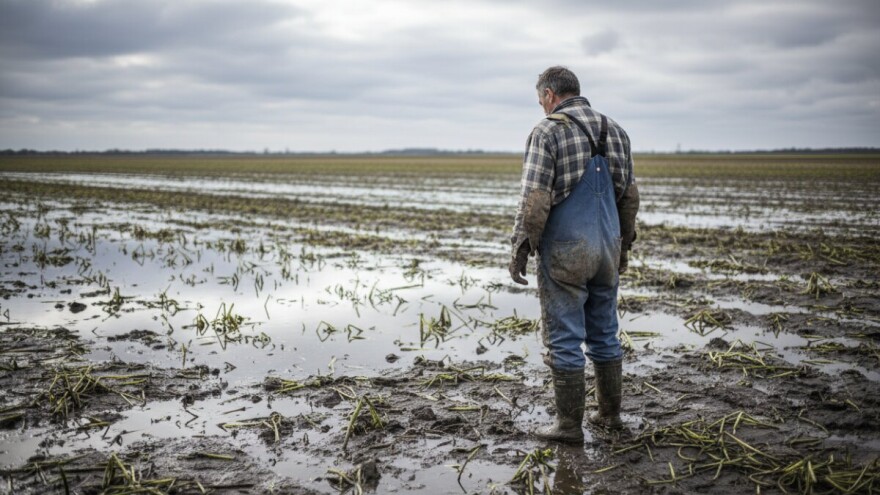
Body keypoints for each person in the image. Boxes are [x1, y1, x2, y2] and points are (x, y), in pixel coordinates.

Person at [509, 66, 639, 443]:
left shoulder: (547, 130)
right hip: (606, 247)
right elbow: (628, 197)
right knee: (604, 332)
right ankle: (610, 417)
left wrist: (519, 249)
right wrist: (623, 246)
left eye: (540, 101)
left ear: (549, 94)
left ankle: (568, 427)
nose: (542, 108)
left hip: (567, 251)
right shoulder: (615, 131)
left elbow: (535, 200)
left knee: (564, 336)